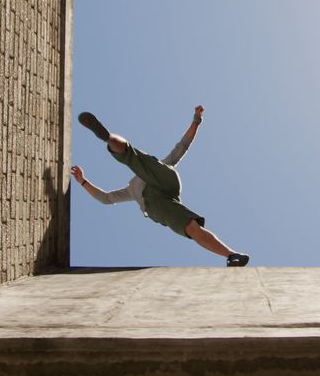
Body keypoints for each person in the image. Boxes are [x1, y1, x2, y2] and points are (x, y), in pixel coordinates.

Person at [71, 105, 251, 267]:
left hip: (162, 184)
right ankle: (231, 255)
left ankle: (110, 138)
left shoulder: (133, 188)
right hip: (159, 198)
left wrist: (196, 120)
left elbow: (183, 145)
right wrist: (83, 181)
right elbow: (106, 198)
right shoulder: (131, 190)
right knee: (191, 227)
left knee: (134, 158)